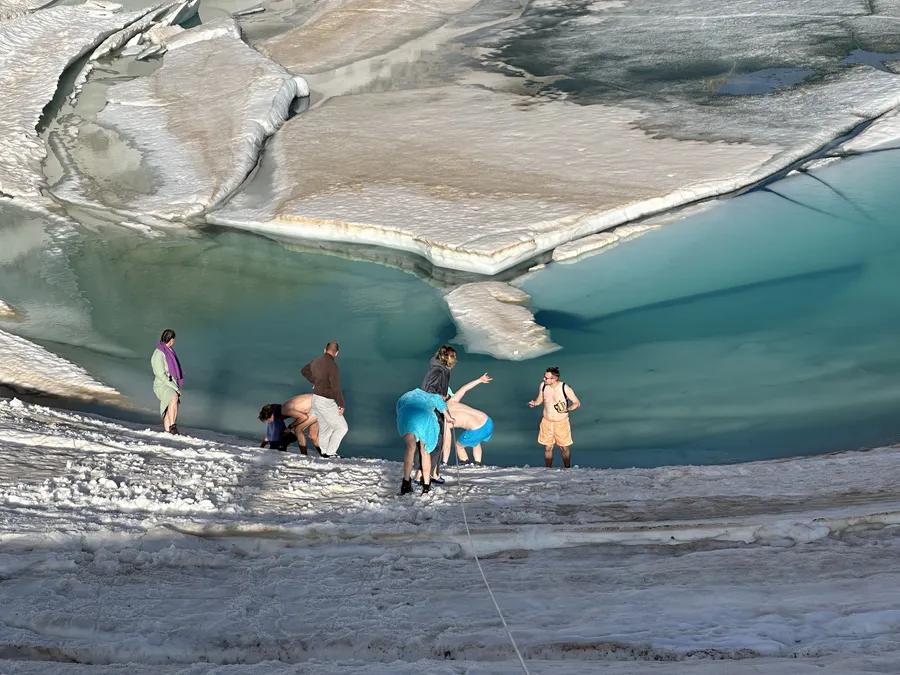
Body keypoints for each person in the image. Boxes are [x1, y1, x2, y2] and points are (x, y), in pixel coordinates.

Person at [397, 388, 456, 495]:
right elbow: (442, 407)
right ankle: (426, 486)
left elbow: (399, 407)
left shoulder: (409, 394)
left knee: (410, 449)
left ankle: (405, 484)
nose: (446, 399)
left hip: (406, 416)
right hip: (424, 417)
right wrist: (449, 418)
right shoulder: (435, 397)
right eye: (447, 397)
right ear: (443, 394)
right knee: (425, 451)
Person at [527, 366, 580, 468]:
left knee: (564, 448)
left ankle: (567, 468)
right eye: (544, 377)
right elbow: (540, 399)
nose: (544, 379)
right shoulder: (543, 386)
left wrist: (567, 409)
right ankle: (548, 470)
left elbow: (577, 403)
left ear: (554, 379)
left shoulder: (565, 388)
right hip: (547, 421)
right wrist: (534, 403)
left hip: (561, 422)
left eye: (546, 378)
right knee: (548, 448)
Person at [418, 345, 457, 483]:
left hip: (435, 409)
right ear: (448, 357)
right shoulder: (438, 370)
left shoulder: (441, 369)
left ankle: (433, 473)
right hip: (432, 410)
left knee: (435, 442)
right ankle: (422, 475)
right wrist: (442, 397)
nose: (455, 360)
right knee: (433, 442)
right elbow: (430, 391)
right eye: (454, 357)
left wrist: (444, 396)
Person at [301, 342, 347, 457]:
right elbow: (336, 387)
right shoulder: (333, 366)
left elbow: (304, 371)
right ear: (336, 353)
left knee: (326, 428)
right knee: (341, 428)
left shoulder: (316, 361)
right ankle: (331, 454)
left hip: (316, 399)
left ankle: (325, 453)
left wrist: (316, 381)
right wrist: (341, 404)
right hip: (326, 401)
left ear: (324, 350)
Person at [445, 373, 493, 466]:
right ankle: (478, 464)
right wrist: (479, 380)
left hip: (477, 430)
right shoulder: (453, 400)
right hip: (488, 422)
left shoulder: (444, 416)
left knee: (459, 446)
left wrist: (444, 461)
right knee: (475, 441)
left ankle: (465, 463)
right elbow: (464, 388)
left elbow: (447, 444)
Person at [150, 328, 183, 434]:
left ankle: (168, 431)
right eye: (174, 339)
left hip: (170, 383)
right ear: (171, 339)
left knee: (171, 404)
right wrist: (175, 388)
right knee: (173, 397)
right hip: (161, 385)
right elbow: (161, 376)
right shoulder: (158, 354)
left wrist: (175, 384)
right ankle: (173, 427)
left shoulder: (170, 350)